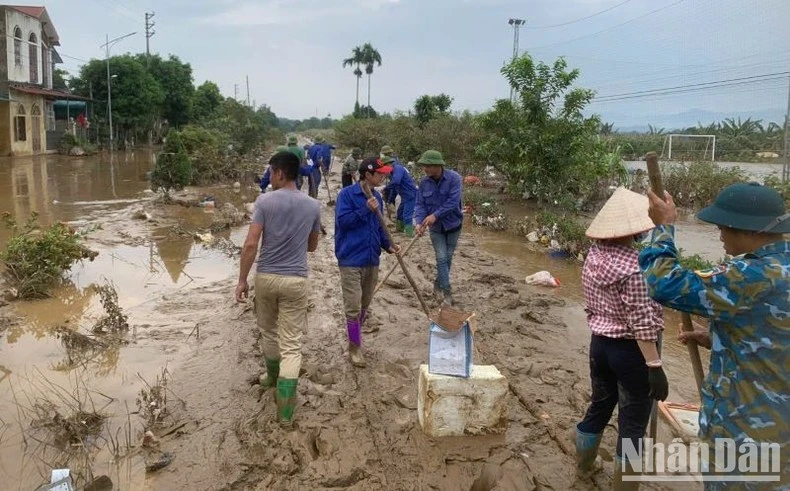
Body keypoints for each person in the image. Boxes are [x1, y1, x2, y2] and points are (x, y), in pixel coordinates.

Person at [639, 182, 789, 489]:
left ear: (749, 231)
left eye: (723, 227)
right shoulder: (780, 269)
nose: (719, 235)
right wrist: (718, 337)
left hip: (746, 433)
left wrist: (664, 228)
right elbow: (774, 335)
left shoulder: (750, 275)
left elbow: (663, 284)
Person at [573, 188, 668, 489]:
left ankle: (584, 467)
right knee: (632, 424)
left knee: (600, 405)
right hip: (631, 352)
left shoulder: (594, 256)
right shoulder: (636, 268)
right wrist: (655, 366)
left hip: (600, 345)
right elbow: (641, 323)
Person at [236, 151, 322, 427]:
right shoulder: (312, 205)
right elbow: (312, 246)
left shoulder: (264, 201)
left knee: (268, 330)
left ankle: (271, 377)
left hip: (267, 277)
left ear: (280, 173)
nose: (270, 177)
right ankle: (285, 412)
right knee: (292, 343)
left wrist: (241, 280)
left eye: (271, 172)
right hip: (296, 279)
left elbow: (251, 244)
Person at [335, 157, 400, 367]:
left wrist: (388, 245)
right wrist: (365, 208)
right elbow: (343, 222)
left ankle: (355, 335)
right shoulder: (346, 195)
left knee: (364, 305)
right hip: (351, 259)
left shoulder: (378, 198)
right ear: (368, 174)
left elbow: (378, 227)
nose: (383, 176)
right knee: (353, 306)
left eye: (384, 173)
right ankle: (355, 348)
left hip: (372, 259)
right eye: (380, 173)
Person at [414, 150, 463, 306]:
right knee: (441, 258)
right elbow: (420, 204)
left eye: (428, 166)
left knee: (447, 259)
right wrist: (418, 222)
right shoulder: (423, 182)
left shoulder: (454, 179)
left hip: (453, 225)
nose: (425, 169)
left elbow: (453, 202)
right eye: (424, 166)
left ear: (438, 166)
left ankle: (437, 284)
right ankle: (447, 291)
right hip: (435, 228)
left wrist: (435, 215)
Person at [381, 145, 417, 237]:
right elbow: (394, 189)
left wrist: (386, 188)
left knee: (407, 214)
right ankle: (400, 229)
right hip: (404, 195)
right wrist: (389, 200)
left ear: (389, 165)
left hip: (411, 194)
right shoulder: (392, 172)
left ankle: (409, 233)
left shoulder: (398, 169)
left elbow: (395, 182)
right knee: (400, 212)